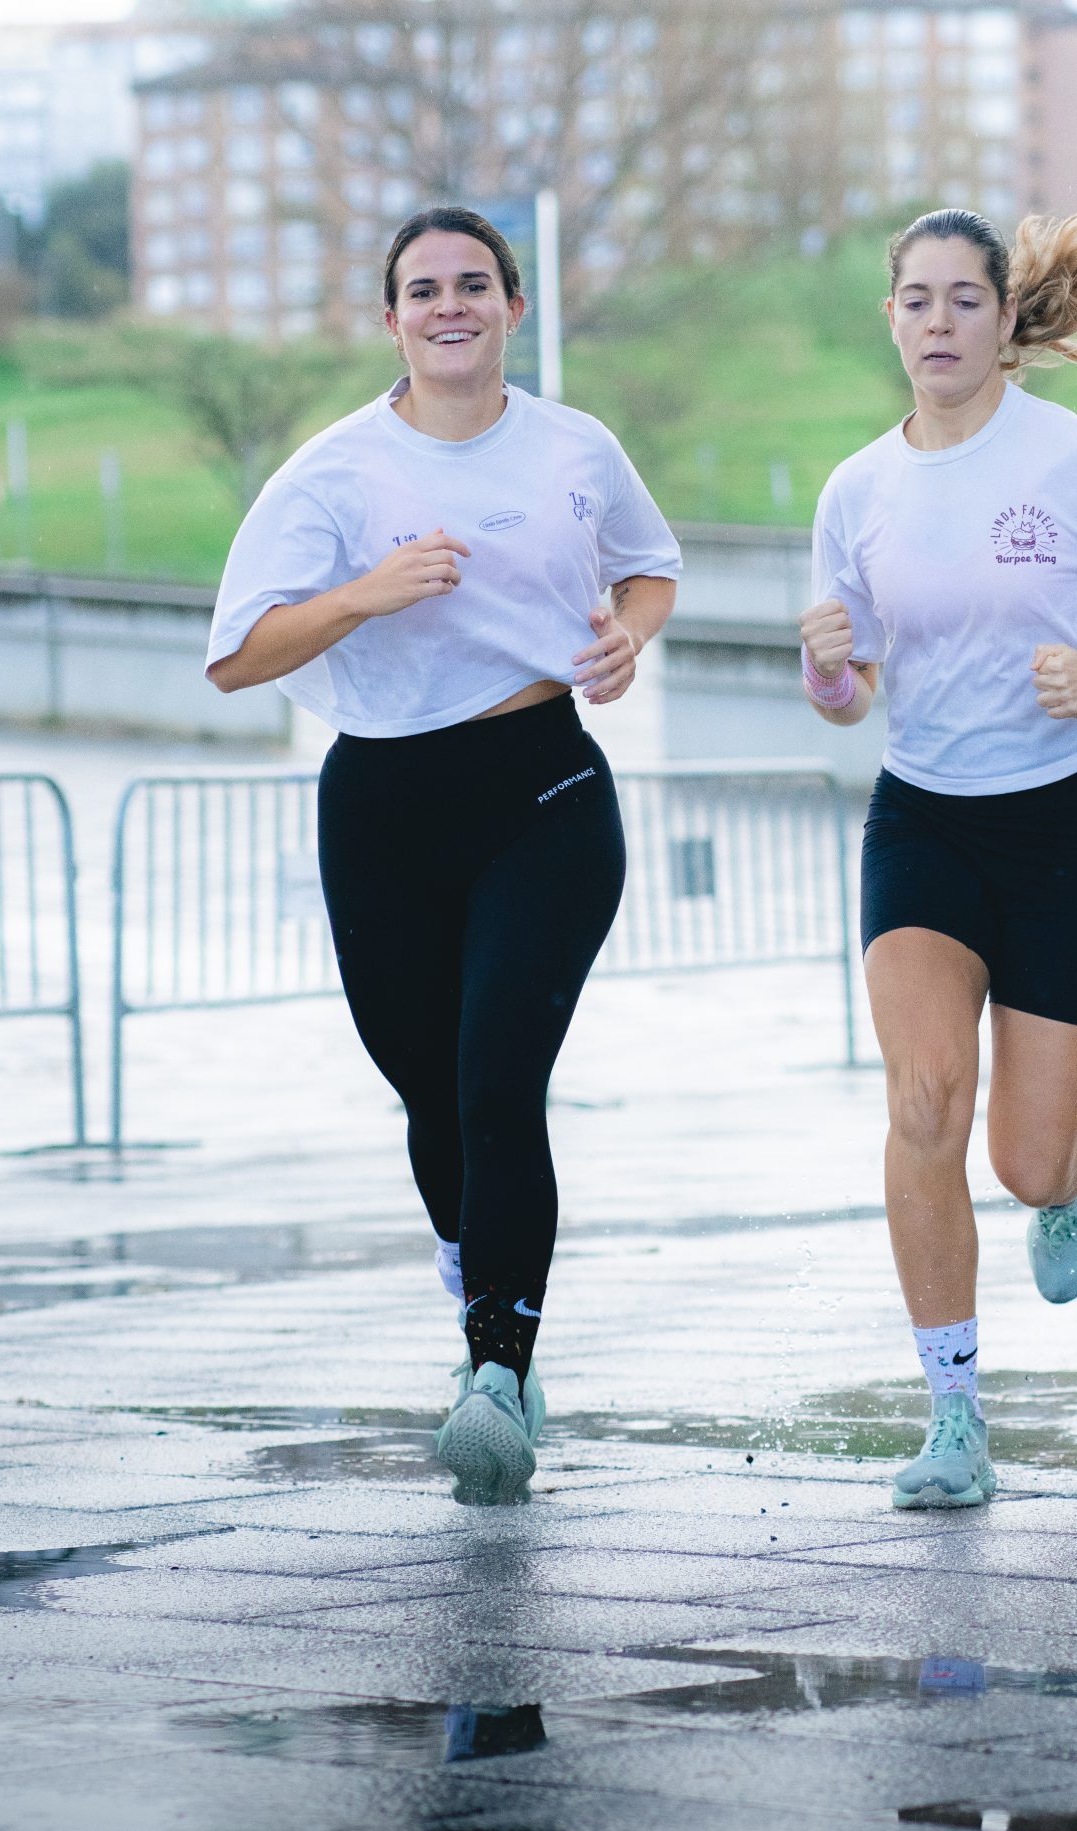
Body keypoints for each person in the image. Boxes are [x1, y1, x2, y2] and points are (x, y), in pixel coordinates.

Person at [206, 206, 680, 1505]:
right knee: (430, 1093)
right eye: (425, 290)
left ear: (515, 307)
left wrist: (628, 635)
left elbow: (649, 569)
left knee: (495, 1082)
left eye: (475, 284)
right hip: (383, 804)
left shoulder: (576, 446)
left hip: (544, 787)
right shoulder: (334, 474)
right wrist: (369, 591)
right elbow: (238, 656)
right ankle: (482, 1290)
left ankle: (499, 1375)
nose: (450, 305)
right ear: (392, 320)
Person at [798, 205, 1077, 1510]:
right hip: (924, 820)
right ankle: (953, 1418)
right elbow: (853, 692)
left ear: (1004, 321)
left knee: (1023, 1164)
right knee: (923, 1101)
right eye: (916, 300)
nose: (938, 322)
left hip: (1066, 828)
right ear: (890, 320)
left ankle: (1074, 1162)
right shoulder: (857, 491)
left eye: (964, 300)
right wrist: (826, 672)